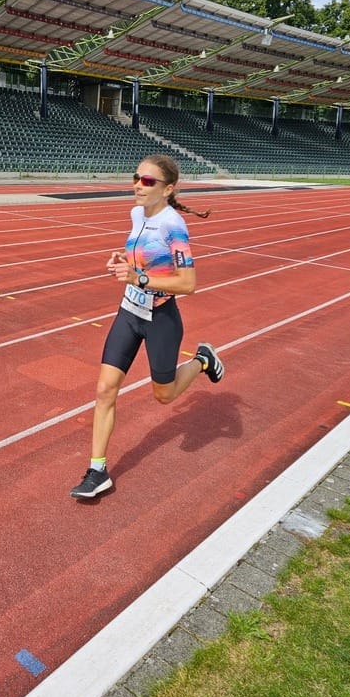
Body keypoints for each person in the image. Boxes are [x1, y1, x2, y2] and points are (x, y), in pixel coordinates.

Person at [70, 154, 224, 499]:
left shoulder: (174, 226)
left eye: (148, 181)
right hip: (128, 312)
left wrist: (139, 277)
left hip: (160, 319)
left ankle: (202, 360)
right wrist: (125, 260)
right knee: (104, 390)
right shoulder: (136, 213)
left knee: (164, 395)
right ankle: (97, 470)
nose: (139, 185)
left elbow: (188, 283)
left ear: (168, 189)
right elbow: (144, 255)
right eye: (137, 177)